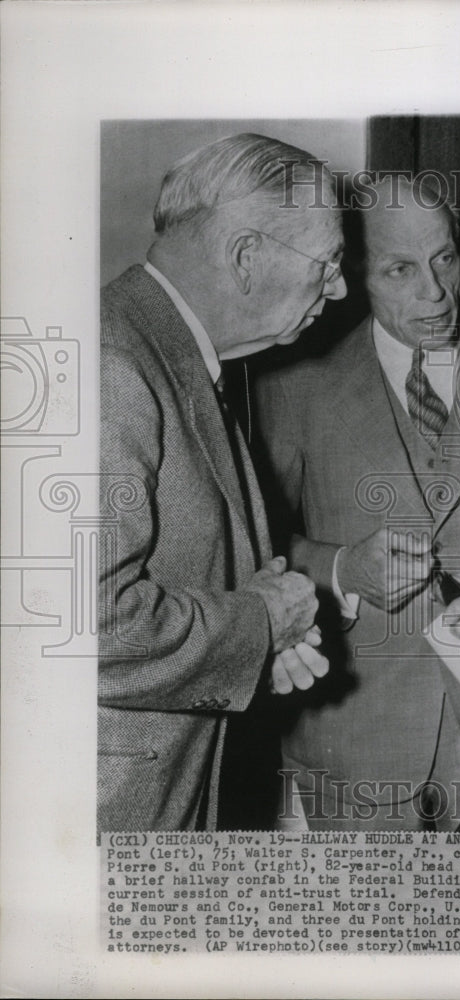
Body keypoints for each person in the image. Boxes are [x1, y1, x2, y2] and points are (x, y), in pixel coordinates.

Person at [252, 176, 460, 830]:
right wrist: (341, 569)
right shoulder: (292, 384)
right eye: (400, 268)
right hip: (358, 742)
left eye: (444, 258)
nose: (435, 291)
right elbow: (253, 549)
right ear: (352, 272)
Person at [98, 133, 347, 832]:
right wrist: (262, 621)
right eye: (328, 263)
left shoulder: (177, 359)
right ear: (246, 257)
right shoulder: (113, 366)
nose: (341, 288)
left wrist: (252, 648)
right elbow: (87, 629)